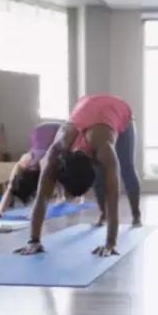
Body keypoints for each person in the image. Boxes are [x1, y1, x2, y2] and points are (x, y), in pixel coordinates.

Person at [13, 94, 141, 257]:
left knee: (127, 168)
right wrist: (34, 240)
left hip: (118, 109)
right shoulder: (56, 153)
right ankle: (103, 215)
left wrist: (110, 244)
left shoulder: (105, 148)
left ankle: (136, 216)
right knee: (103, 178)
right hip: (89, 108)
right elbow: (42, 196)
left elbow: (113, 197)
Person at [0, 122, 60, 215]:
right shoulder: (23, 163)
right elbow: (10, 188)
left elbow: (52, 191)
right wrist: (0, 211)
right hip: (40, 137)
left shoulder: (52, 162)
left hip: (57, 133)